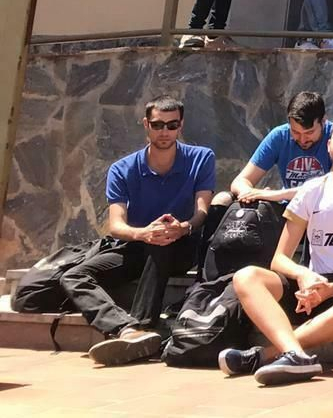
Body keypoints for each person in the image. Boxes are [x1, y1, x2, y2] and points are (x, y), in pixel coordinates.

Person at [219, 113, 333, 385]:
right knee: (247, 277)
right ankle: (295, 355)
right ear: (328, 145)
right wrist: (303, 275)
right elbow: (280, 259)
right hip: (313, 286)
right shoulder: (310, 190)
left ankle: (269, 354)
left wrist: (332, 290)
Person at [39, 98, 215, 367]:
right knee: (75, 275)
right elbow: (116, 226)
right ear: (146, 124)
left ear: (181, 125)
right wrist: (144, 233)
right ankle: (126, 329)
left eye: (172, 125)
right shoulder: (122, 169)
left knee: (162, 242)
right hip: (136, 244)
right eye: (157, 125)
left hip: (181, 244)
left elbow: (202, 211)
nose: (164, 131)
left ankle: (144, 326)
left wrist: (183, 227)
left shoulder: (201, 157)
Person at [229, 91, 333, 203]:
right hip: (288, 210)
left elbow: (332, 187)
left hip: (326, 210)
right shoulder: (280, 136)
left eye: (309, 132)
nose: (302, 139)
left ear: (323, 121)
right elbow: (240, 181)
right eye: (296, 132)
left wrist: (275, 195)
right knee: (224, 199)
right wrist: (249, 193)